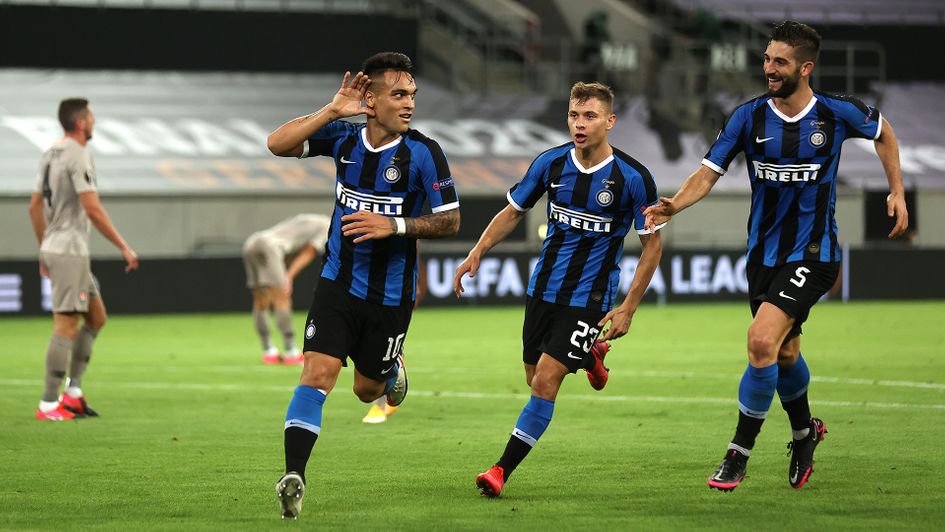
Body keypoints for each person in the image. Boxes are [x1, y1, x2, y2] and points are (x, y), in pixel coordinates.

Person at [643, 21, 909, 492]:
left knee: (761, 341)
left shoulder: (837, 112)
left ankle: (737, 455)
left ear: (805, 68)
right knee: (785, 353)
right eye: (766, 59)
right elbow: (709, 171)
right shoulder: (748, 117)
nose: (768, 68)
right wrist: (673, 205)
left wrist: (897, 191)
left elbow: (885, 134)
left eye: (779, 62)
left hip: (815, 253)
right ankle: (806, 433)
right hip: (762, 257)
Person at [266, 52, 460, 519]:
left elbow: (450, 220)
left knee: (366, 391)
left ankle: (391, 370)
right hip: (337, 284)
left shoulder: (424, 153)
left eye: (412, 94)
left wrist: (392, 226)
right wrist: (331, 110)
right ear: (370, 99)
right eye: (399, 94)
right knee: (316, 376)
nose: (409, 103)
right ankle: (295, 476)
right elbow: (277, 144)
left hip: (391, 298)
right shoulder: (344, 138)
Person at [453, 82, 664, 498]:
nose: (579, 124)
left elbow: (652, 245)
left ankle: (499, 471)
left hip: (590, 298)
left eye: (589, 116)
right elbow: (513, 212)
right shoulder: (550, 163)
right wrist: (477, 250)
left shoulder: (634, 178)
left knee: (546, 382)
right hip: (543, 290)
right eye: (573, 115)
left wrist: (628, 308)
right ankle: (590, 356)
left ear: (610, 121)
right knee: (533, 376)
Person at [27, 98, 139, 421]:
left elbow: (34, 206)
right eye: (91, 116)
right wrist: (124, 247)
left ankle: (73, 393)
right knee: (66, 323)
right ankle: (49, 404)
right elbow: (92, 207)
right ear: (80, 123)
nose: (94, 121)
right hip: (70, 250)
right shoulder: (79, 155)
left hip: (58, 247)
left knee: (96, 316)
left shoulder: (50, 153)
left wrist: (44, 245)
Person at [243, 213, 330, 365]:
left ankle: (268, 351)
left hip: (252, 243)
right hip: (270, 247)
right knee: (281, 298)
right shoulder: (328, 227)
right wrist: (288, 276)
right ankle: (291, 352)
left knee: (260, 300)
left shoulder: (311, 218)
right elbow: (309, 252)